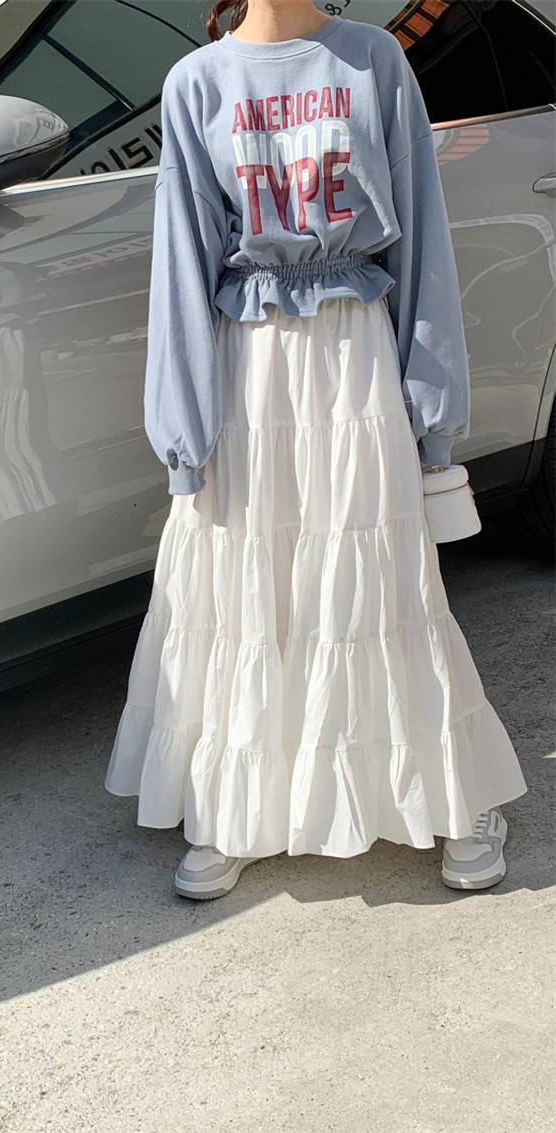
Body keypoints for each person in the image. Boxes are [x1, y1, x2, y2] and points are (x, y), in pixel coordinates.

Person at [104, 0, 527, 899]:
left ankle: (454, 791)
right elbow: (181, 262)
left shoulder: (372, 61)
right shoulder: (198, 82)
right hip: (247, 368)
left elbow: (421, 238)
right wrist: (182, 428)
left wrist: (432, 414)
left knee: (380, 579)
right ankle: (238, 801)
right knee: (250, 584)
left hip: (353, 355)